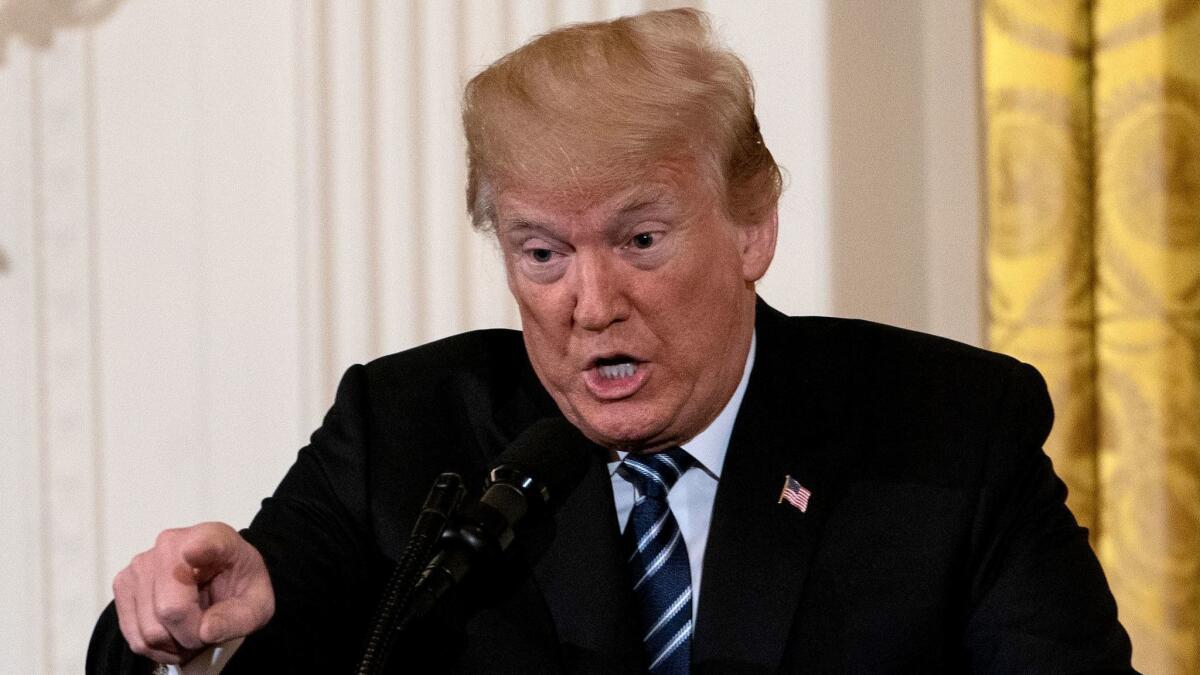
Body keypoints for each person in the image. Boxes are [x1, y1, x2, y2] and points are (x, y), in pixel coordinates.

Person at [88, 8, 1134, 674]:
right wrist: (192, 640)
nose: (591, 303)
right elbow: (217, 629)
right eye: (541, 253)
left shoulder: (948, 432)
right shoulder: (412, 434)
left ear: (751, 224)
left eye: (639, 240)